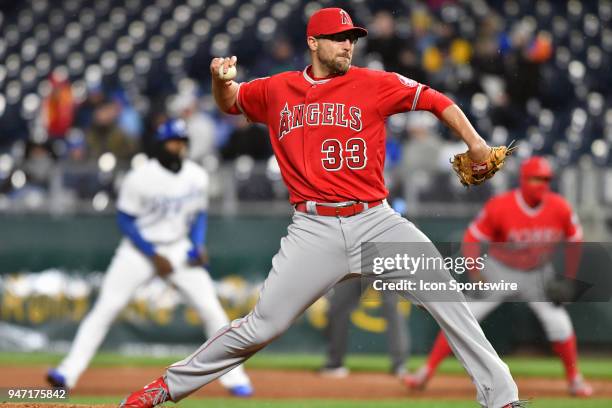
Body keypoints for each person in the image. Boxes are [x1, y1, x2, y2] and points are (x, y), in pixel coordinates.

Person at [121, 8, 524, 408]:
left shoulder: (374, 83)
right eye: (338, 37)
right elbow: (231, 102)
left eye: (351, 38)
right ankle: (163, 389)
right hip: (314, 229)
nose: (348, 44)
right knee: (261, 327)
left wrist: (475, 143)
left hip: (375, 221)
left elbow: (436, 100)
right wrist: (218, 81)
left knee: (448, 298)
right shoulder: (276, 89)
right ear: (313, 42)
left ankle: (502, 400)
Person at [46, 118, 253, 398]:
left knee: (210, 309)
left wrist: (198, 245)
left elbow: (199, 214)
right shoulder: (140, 177)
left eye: (182, 142)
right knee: (106, 307)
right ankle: (66, 373)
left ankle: (236, 380)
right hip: (139, 249)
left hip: (178, 247)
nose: (178, 146)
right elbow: (126, 220)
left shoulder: (196, 175)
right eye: (172, 141)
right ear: (160, 145)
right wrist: (152, 254)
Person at [404, 156, 593, 397]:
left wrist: (568, 278)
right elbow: (471, 238)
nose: (541, 184)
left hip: (537, 275)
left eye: (546, 179)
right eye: (536, 178)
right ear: (523, 180)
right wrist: (475, 272)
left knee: (559, 324)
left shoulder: (559, 207)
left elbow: (575, 241)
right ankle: (426, 372)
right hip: (499, 271)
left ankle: (574, 380)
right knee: (462, 317)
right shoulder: (502, 205)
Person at [319, 279, 410, 378]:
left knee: (392, 306)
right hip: (355, 266)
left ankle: (400, 365)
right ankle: (334, 364)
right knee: (338, 306)